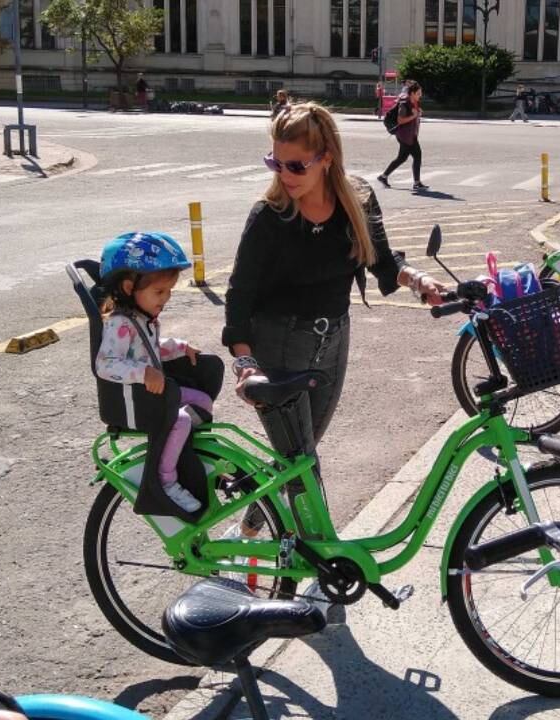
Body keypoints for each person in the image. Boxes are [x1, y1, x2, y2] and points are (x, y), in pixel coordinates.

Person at [223, 102, 446, 519]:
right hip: (280, 345)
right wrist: (246, 364)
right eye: (276, 163)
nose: (283, 175)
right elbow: (239, 295)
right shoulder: (269, 217)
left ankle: (255, 529)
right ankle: (321, 565)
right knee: (304, 464)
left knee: (299, 460)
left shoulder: (356, 202)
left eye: (295, 166)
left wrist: (419, 280)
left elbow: (381, 261)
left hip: (334, 340)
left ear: (326, 158)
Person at [96, 231, 212, 513]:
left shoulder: (142, 319)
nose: (166, 298)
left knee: (202, 402)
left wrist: (180, 348)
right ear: (127, 288)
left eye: (169, 290)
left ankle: (181, 452)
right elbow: (105, 364)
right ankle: (166, 479)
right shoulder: (120, 324)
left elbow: (150, 348)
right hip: (141, 401)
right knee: (182, 420)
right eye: (159, 292)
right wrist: (143, 373)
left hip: (157, 393)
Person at [377, 79, 428, 191]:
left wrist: (417, 113)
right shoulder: (404, 104)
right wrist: (414, 116)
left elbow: (414, 116)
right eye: (418, 93)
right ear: (412, 93)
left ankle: (383, 176)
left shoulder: (414, 102)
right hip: (405, 136)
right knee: (417, 156)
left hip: (410, 135)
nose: (420, 95)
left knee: (402, 158)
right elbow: (400, 120)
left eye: (421, 93)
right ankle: (416, 183)